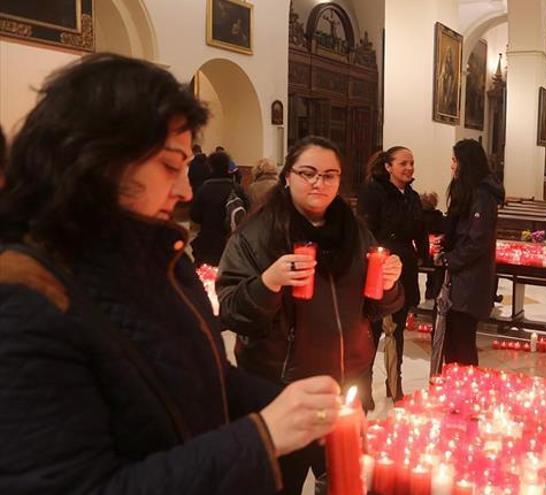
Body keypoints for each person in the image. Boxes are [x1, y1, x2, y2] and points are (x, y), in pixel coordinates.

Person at [0, 53, 342, 495]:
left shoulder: (161, 257)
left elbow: (203, 378)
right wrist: (261, 437)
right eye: (169, 165)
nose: (184, 191)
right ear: (96, 157)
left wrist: (292, 408)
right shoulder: (24, 296)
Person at [216, 135, 403, 493]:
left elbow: (376, 306)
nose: (319, 182)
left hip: (346, 390)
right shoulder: (256, 235)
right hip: (283, 391)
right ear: (287, 176)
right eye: (308, 173)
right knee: (277, 485)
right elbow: (231, 311)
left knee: (344, 484)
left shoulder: (355, 231)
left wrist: (390, 283)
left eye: (330, 175)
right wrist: (268, 283)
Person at [357, 146, 428, 403]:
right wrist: (378, 260)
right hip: (378, 266)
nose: (409, 168)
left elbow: (420, 231)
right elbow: (365, 230)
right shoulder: (373, 192)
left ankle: (394, 384)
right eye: (403, 163)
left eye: (411, 163)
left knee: (396, 330)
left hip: (405, 267)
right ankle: (364, 386)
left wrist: (424, 255)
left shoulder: (412, 196)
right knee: (373, 329)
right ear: (388, 166)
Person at [438, 139, 505, 366]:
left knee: (463, 341)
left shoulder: (482, 196)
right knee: (452, 340)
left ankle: (464, 390)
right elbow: (465, 231)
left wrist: (450, 259)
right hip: (463, 277)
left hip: (470, 279)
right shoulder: (471, 192)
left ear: (466, 163)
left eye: (455, 160)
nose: (452, 165)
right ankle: (452, 388)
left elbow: (477, 240)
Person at [190, 151, 250, 266]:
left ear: (210, 167)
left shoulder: (204, 189)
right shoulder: (237, 189)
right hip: (232, 244)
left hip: (208, 242)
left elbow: (195, 216)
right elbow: (248, 211)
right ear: (227, 166)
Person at [421, 191, 447, 300]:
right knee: (436, 275)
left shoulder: (418, 218)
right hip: (435, 255)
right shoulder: (439, 218)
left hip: (421, 253)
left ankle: (428, 292)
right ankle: (434, 293)